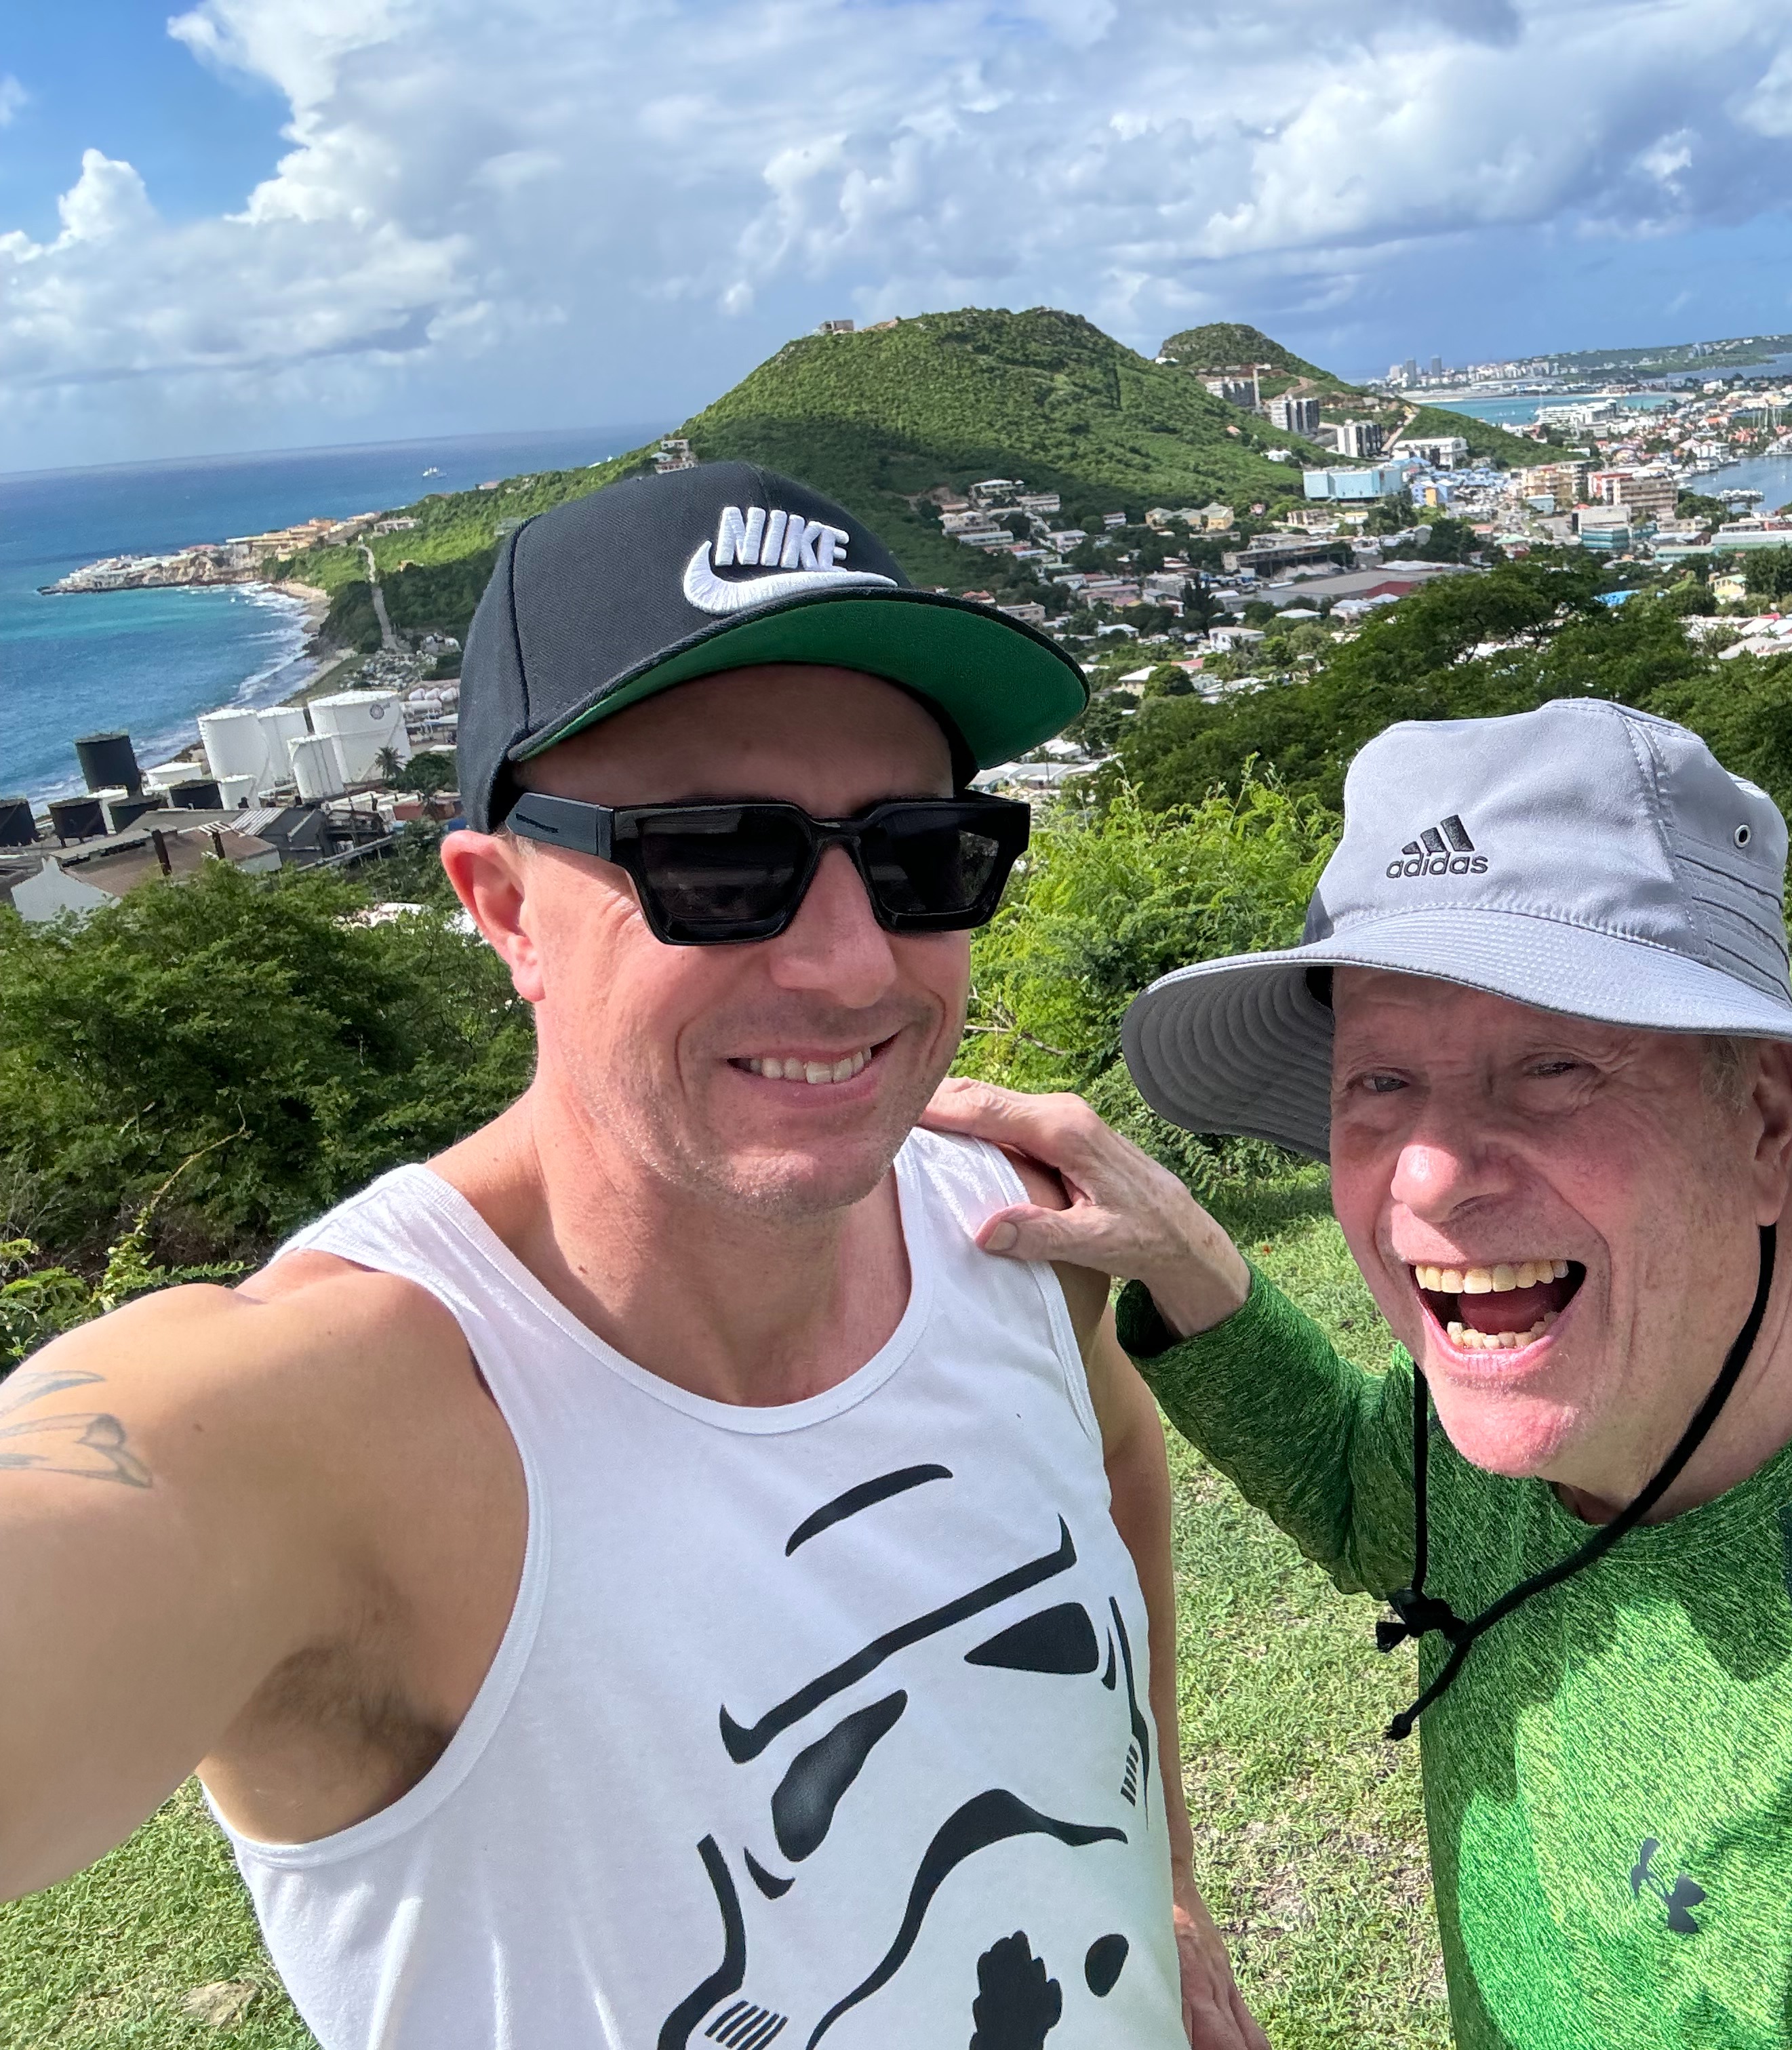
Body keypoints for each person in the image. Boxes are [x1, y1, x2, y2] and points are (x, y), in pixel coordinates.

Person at [0, 464, 1262, 2050]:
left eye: (923, 854)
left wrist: (1166, 1877)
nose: (850, 962)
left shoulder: (1002, 1233)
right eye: (717, 860)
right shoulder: (341, 1423)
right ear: (503, 909)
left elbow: (1113, 1462)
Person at [932, 698, 1792, 2048]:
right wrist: (1183, 1255)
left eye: (1553, 1066)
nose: (1429, 1177)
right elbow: (1375, 1497)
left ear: (1763, 1116)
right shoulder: (1606, 1369)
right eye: (1380, 1084)